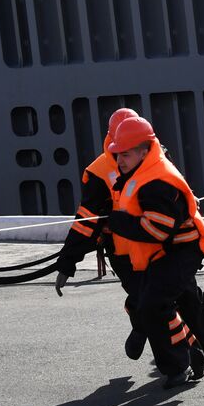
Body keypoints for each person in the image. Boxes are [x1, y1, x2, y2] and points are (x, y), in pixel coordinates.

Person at [104, 116, 204, 389]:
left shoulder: (157, 181)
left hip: (181, 251)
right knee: (152, 305)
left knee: (155, 304)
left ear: (145, 151)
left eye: (126, 154)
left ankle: (179, 366)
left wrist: (113, 221)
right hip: (164, 253)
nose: (120, 160)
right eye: (118, 154)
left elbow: (157, 231)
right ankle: (191, 352)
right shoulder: (142, 172)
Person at [54, 107, 153, 363]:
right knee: (145, 299)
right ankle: (146, 329)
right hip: (123, 252)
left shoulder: (154, 156)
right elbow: (85, 223)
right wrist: (67, 264)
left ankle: (191, 353)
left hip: (156, 245)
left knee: (166, 299)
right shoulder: (99, 172)